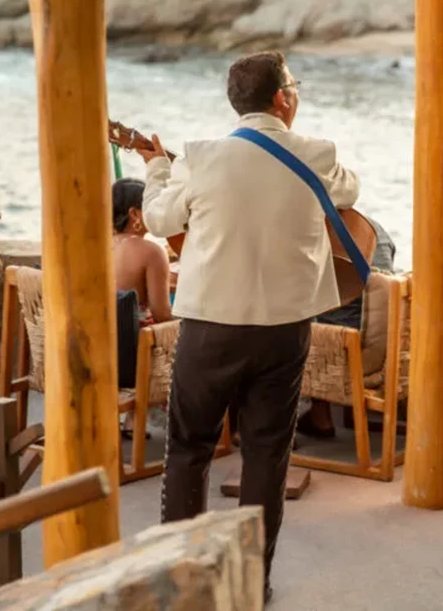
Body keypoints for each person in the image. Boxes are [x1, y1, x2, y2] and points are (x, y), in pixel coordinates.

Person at [139, 51, 359, 603]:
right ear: (283, 98)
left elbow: (161, 219)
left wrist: (157, 168)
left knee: (189, 447)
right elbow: (349, 191)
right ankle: (250, 584)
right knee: (267, 454)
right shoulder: (316, 153)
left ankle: (184, 582)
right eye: (296, 87)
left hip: (211, 327)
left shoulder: (202, 158)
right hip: (284, 330)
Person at [297, 218, 396, 438]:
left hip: (344, 355)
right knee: (329, 310)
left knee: (275, 330)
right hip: (385, 347)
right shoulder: (375, 229)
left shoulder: (316, 232)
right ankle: (319, 416)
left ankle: (266, 428)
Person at [112, 177, 173, 325]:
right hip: (130, 340)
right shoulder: (152, 252)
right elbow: (162, 315)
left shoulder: (98, 246)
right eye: (151, 206)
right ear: (134, 214)